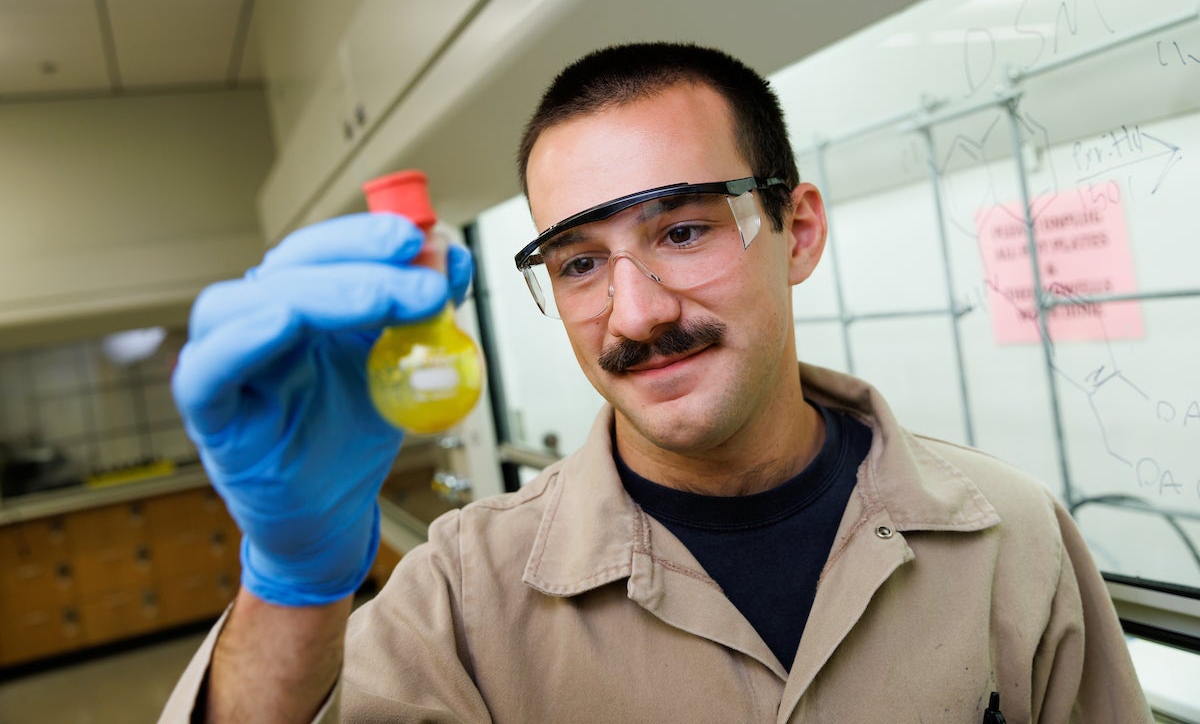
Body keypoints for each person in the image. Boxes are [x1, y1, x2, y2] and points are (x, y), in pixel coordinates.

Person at [162, 43, 1152, 723]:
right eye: (580, 262)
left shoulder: (1008, 538)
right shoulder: (462, 597)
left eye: (682, 230)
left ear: (795, 229)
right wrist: (289, 582)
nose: (634, 315)